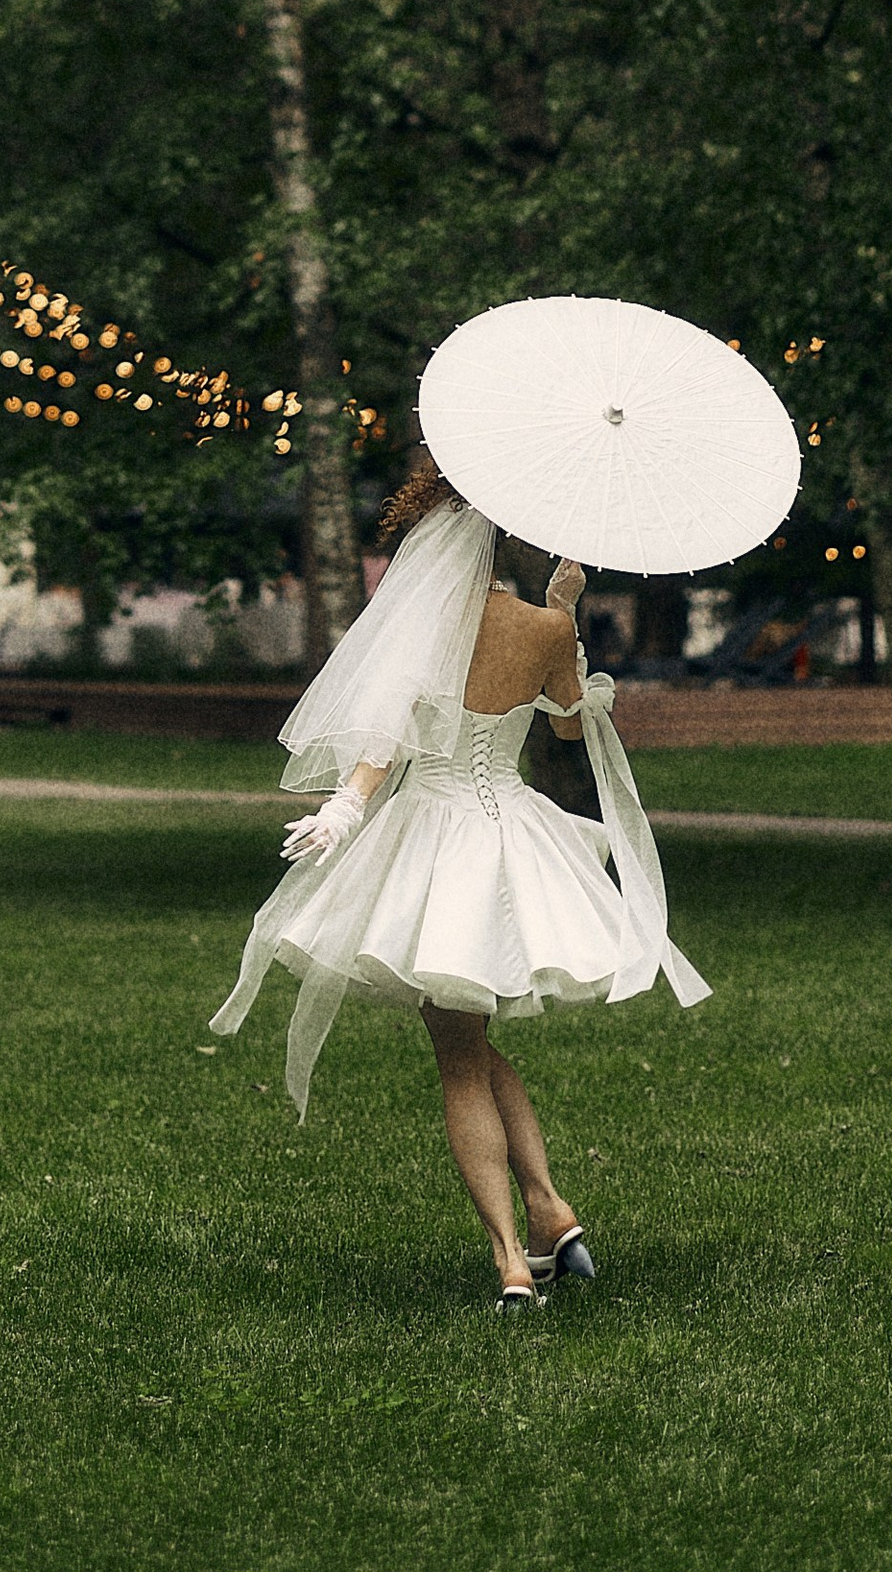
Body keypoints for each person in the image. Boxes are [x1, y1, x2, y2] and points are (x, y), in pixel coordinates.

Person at [209, 450, 710, 1311]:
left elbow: (386, 741)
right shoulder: (542, 627)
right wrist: (563, 615)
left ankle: (512, 1256)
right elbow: (566, 730)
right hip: (510, 832)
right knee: (468, 1040)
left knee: (456, 1055)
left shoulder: (423, 632)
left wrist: (346, 808)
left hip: (435, 842)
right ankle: (549, 1211)